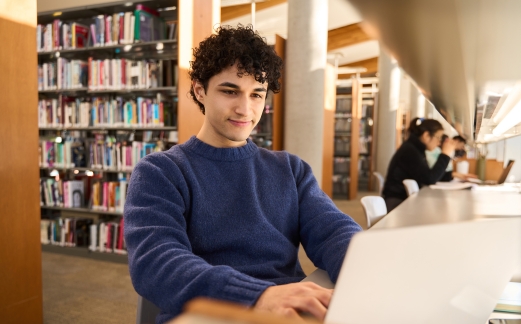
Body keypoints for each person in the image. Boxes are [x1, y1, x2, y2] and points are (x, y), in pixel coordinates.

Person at [123, 25, 362, 324]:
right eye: (229, 91)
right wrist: (257, 296)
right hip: (210, 316)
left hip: (287, 312)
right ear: (200, 90)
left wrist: (366, 270)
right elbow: (156, 264)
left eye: (257, 94)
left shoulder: (290, 169)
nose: (245, 109)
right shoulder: (160, 171)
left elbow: (334, 231)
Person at [382, 118, 457, 212]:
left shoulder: (416, 149)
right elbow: (429, 179)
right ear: (426, 135)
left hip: (404, 199)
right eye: (438, 137)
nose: (439, 143)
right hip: (397, 203)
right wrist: (445, 154)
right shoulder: (410, 151)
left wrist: (451, 175)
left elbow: (430, 175)